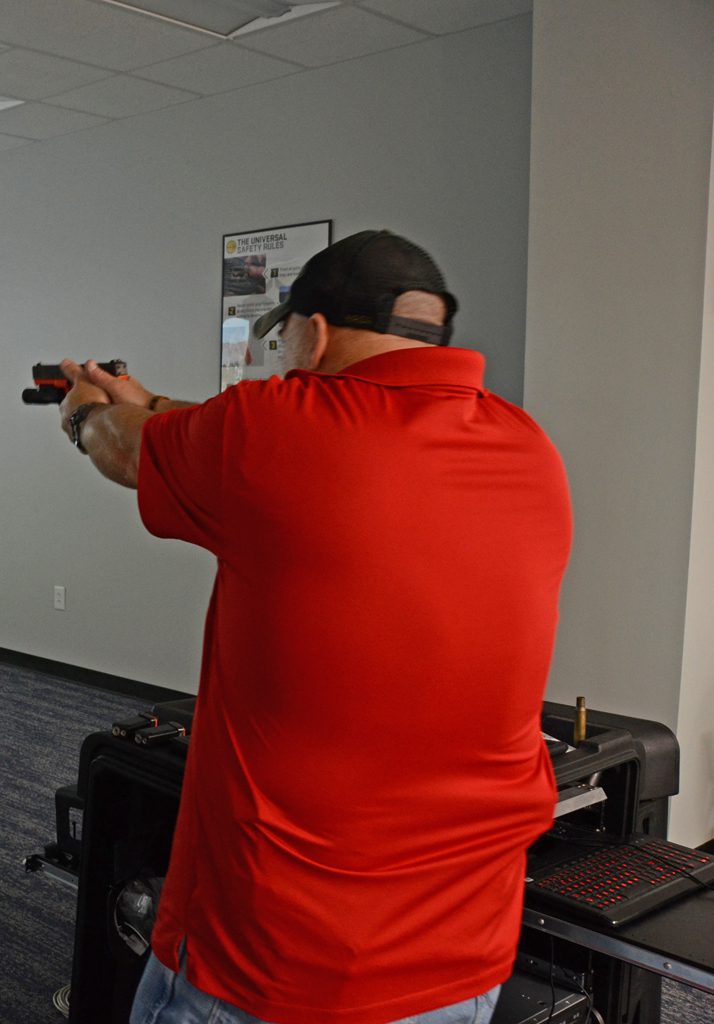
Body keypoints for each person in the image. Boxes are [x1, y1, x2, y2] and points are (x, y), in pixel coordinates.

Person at [55, 231, 572, 1024]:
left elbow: (129, 453)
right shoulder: (527, 446)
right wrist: (151, 401)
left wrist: (86, 415)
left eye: (285, 336)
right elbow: (274, 435)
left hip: (279, 964)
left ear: (316, 330)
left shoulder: (274, 430)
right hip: (463, 957)